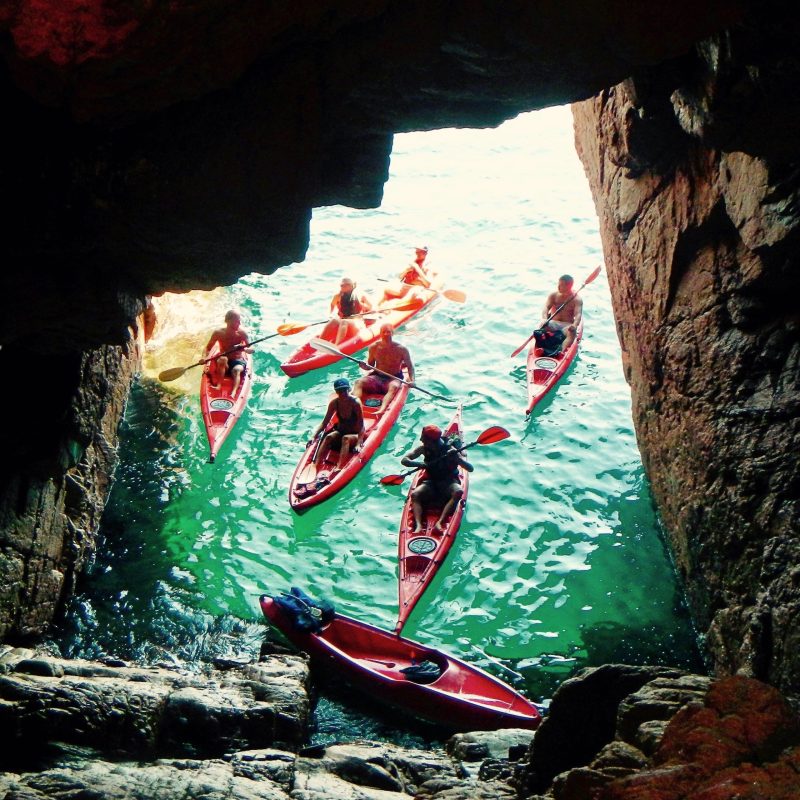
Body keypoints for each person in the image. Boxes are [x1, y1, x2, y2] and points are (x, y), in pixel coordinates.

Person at [401, 424, 473, 534]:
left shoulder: (451, 450)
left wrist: (457, 459)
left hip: (449, 482)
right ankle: (419, 526)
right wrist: (419, 464)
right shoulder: (424, 449)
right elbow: (405, 460)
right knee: (415, 494)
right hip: (431, 482)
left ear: (432, 441)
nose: (421, 440)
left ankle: (439, 522)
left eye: (423, 438)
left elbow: (470, 468)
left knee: (458, 491)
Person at [353, 323, 414, 417]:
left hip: (394, 378)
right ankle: (356, 405)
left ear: (392, 333)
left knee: (393, 387)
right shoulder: (373, 347)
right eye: (383, 332)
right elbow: (370, 366)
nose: (386, 334)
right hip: (377, 377)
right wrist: (363, 366)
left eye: (388, 332)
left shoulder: (402, 349)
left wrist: (412, 381)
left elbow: (410, 367)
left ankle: (382, 409)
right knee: (358, 382)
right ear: (380, 334)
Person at [309, 377, 364, 474]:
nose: (343, 393)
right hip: (341, 431)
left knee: (345, 439)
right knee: (329, 437)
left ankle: (339, 467)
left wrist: (359, 443)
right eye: (340, 391)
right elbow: (324, 423)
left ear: (349, 389)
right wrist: (314, 436)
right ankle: (315, 465)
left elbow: (361, 424)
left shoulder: (355, 403)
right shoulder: (334, 403)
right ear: (336, 392)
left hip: (354, 434)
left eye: (344, 390)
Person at [203, 310, 252, 395]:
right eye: (237, 321)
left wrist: (246, 350)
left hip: (238, 360)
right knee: (223, 359)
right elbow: (208, 348)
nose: (239, 323)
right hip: (223, 362)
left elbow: (251, 348)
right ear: (228, 321)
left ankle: (233, 392)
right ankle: (218, 385)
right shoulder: (218, 333)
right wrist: (204, 358)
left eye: (239, 321)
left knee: (236, 370)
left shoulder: (242, 333)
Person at [320, 277, 373, 345]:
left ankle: (337, 345)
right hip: (343, 320)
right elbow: (332, 308)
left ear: (351, 286)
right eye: (342, 285)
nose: (344, 286)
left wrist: (361, 305)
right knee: (333, 321)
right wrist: (331, 315)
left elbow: (370, 307)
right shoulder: (337, 296)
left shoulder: (360, 295)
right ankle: (320, 342)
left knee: (344, 321)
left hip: (357, 323)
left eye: (346, 285)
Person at [538, 274, 583, 353]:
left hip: (566, 325)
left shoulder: (577, 299)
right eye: (558, 284)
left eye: (561, 285)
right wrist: (544, 319)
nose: (558, 287)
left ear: (569, 286)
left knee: (571, 332)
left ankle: (561, 351)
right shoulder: (553, 295)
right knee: (542, 326)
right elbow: (546, 307)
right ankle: (539, 347)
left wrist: (574, 325)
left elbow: (578, 314)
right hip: (553, 323)